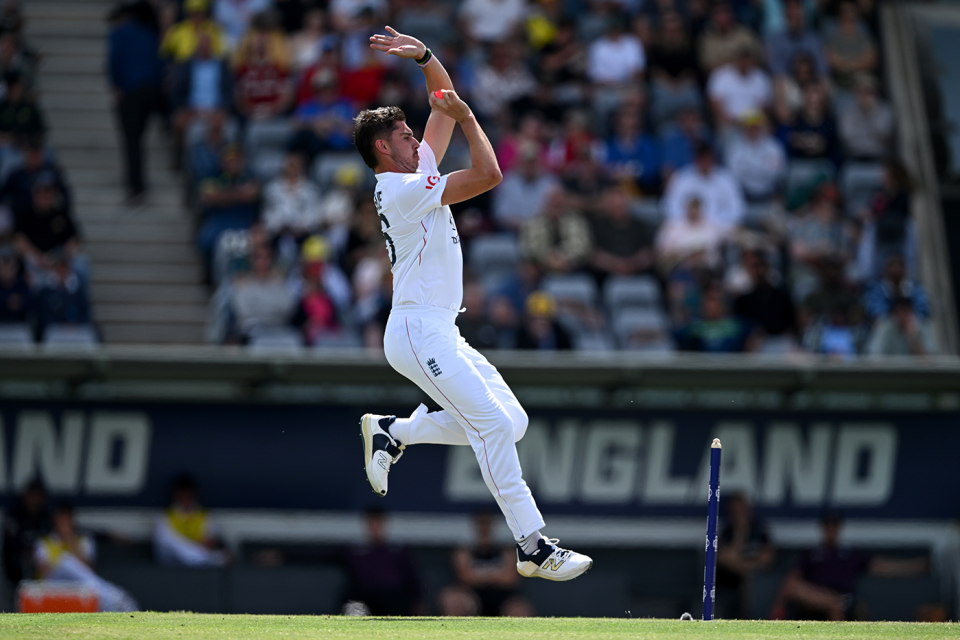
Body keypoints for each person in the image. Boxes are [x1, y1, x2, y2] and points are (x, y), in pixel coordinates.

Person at [355, 27, 592, 582]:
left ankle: (396, 431)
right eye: (406, 136)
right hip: (417, 331)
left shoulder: (412, 171)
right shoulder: (402, 188)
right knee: (488, 427)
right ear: (384, 149)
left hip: (438, 329)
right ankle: (532, 545)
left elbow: (440, 102)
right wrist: (467, 119)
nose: (417, 139)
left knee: (511, 422)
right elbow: (490, 174)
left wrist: (426, 57)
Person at [770, 510, 928, 620]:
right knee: (796, 587)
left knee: (838, 604)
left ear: (839, 527)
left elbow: (881, 566)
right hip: (813, 599)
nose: (831, 529)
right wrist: (778, 606)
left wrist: (913, 566)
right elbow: (793, 578)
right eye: (828, 525)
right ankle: (832, 601)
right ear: (823, 527)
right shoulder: (811, 552)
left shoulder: (851, 553)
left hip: (843, 598)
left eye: (834, 525)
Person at [35, 503, 138, 612]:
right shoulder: (44, 542)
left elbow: (89, 571)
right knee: (66, 561)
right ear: (54, 521)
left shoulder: (83, 539)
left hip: (79, 586)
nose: (64, 522)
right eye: (61, 518)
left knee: (77, 570)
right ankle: (116, 598)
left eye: (67, 518)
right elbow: (43, 574)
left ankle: (113, 602)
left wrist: (71, 542)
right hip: (52, 587)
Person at [108, 1, 163, 201]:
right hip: (151, 90)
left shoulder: (118, 34)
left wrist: (117, 86)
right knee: (140, 136)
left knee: (132, 141)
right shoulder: (149, 33)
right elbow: (159, 62)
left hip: (131, 92)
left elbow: (114, 61)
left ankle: (136, 186)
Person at [439, 510, 533, 617]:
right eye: (481, 524)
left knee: (520, 608)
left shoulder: (506, 551)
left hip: (503, 598)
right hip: (471, 596)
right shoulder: (465, 551)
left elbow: (510, 579)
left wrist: (479, 575)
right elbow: (465, 577)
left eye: (488, 524)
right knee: (453, 600)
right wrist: (496, 575)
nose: (484, 528)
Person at [339, 508, 422, 616]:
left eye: (378, 523)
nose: (375, 528)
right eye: (372, 524)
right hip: (364, 597)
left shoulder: (398, 551)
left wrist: (418, 602)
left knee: (397, 604)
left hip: (393, 597)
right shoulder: (354, 552)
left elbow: (413, 579)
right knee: (353, 606)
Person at [715, 492, 775, 619]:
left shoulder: (759, 530)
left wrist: (744, 567)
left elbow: (767, 559)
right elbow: (722, 559)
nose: (740, 514)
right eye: (736, 511)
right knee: (745, 580)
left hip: (756, 578)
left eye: (742, 510)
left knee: (752, 581)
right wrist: (740, 533)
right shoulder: (727, 532)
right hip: (729, 580)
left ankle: (753, 617)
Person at [663, 142, 745, 230]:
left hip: (719, 229)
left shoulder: (727, 179)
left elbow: (737, 208)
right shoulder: (681, 178)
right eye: (702, 159)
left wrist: (713, 222)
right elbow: (669, 205)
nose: (705, 163)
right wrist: (689, 221)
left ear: (714, 159)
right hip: (687, 229)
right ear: (695, 159)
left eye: (707, 159)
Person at [153, 475, 230, 567]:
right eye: (181, 496)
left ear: (194, 495)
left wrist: (208, 543)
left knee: (223, 556)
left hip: (200, 558)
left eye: (188, 496)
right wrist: (194, 544)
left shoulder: (205, 515)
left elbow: (211, 539)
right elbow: (167, 543)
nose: (185, 500)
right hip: (172, 561)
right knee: (180, 550)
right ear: (175, 495)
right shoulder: (165, 516)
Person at [519, 185, 591, 274]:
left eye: (559, 205)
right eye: (552, 204)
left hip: (571, 265)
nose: (555, 208)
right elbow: (529, 248)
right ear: (545, 204)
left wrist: (563, 257)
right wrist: (549, 258)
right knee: (528, 269)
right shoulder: (533, 222)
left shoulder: (576, 221)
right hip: (541, 266)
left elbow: (582, 247)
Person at [723, 111, 786, 202]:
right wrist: (761, 170)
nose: (753, 130)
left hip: (768, 192)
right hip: (743, 194)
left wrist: (749, 170)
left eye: (756, 127)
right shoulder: (735, 147)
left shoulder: (773, 146)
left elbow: (777, 171)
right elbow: (733, 173)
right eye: (750, 127)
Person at [2, 478, 50, 588]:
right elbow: (10, 548)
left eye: (38, 496)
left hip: (41, 573)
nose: (35, 500)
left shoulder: (45, 517)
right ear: (26, 495)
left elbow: (52, 543)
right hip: (14, 572)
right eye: (33, 495)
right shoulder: (15, 515)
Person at [837, 73, 893, 161]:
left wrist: (870, 113)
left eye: (868, 92)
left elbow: (883, 137)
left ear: (875, 93)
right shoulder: (847, 112)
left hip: (879, 158)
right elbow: (847, 137)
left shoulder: (885, 111)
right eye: (860, 92)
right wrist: (871, 138)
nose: (864, 96)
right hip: (854, 158)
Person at [865, 296, 937, 356]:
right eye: (901, 311)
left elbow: (929, 363)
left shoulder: (921, 326)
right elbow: (874, 357)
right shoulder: (885, 327)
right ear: (894, 313)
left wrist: (913, 339)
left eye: (907, 310)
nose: (904, 315)